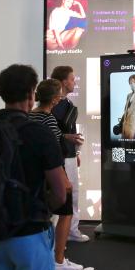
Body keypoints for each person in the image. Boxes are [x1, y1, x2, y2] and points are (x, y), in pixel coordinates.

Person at [0, 64, 68, 270]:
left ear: (2, 93)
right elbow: (61, 192)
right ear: (32, 94)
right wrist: (44, 207)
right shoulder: (39, 134)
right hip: (30, 232)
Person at [29, 79, 84, 270]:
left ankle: (46, 255)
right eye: (59, 94)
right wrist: (63, 178)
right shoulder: (48, 119)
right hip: (51, 175)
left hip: (35, 175)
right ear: (54, 99)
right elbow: (52, 151)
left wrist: (64, 137)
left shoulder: (30, 116)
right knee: (65, 212)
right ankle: (59, 259)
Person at [51, 66, 89, 243]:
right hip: (59, 158)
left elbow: (67, 131)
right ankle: (57, 238)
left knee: (73, 194)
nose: (75, 82)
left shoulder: (67, 104)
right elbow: (52, 132)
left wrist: (75, 152)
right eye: (72, 79)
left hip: (69, 155)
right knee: (62, 196)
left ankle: (71, 231)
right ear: (64, 82)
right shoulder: (54, 104)